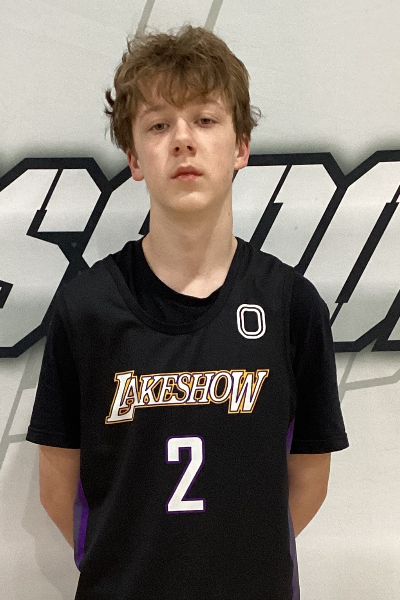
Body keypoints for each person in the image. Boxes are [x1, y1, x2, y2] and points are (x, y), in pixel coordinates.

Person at [27, 24, 349, 600]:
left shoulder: (291, 305)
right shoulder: (87, 309)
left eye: (204, 119)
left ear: (241, 147)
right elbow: (59, 488)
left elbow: (309, 479)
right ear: (134, 158)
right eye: (158, 125)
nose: (182, 140)